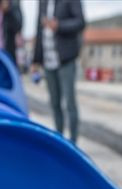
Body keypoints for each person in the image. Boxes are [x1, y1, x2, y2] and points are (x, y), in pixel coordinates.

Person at [30, 0, 84, 145]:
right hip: (48, 61)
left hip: (66, 59)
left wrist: (59, 25)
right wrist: (36, 60)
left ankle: (73, 141)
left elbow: (80, 22)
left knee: (70, 102)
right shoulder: (42, 3)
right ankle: (59, 139)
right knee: (54, 103)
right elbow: (39, 30)